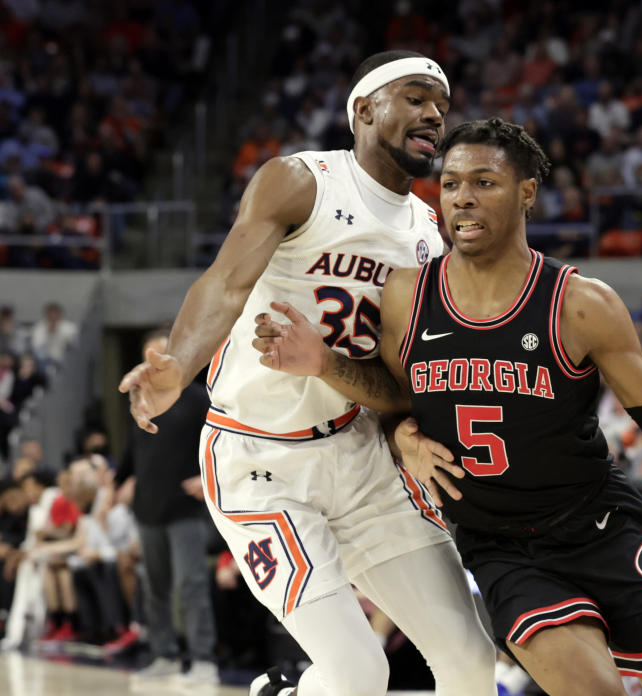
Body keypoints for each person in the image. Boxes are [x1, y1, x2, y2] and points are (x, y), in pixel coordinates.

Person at [252, 118, 642, 696]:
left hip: (602, 526)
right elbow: (396, 398)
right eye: (453, 183)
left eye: (484, 183)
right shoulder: (407, 296)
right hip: (502, 545)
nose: (462, 198)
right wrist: (398, 432)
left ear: (527, 192)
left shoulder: (581, 302)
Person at [119, 50, 496, 696]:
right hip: (260, 464)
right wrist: (177, 364)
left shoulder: (431, 238)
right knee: (357, 674)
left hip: (361, 462)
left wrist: (329, 368)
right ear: (364, 108)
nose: (435, 112)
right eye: (415, 96)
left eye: (441, 102)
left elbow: (399, 386)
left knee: (471, 660)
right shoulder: (301, 182)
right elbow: (226, 283)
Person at [115, 328, 218, 685]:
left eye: (160, 357)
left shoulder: (196, 398)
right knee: (153, 586)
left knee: (191, 586)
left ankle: (203, 660)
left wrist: (208, 480)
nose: (153, 365)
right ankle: (164, 655)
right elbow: (134, 452)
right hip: (147, 507)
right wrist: (119, 483)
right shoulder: (141, 399)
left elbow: (220, 443)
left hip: (184, 509)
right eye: (149, 357)